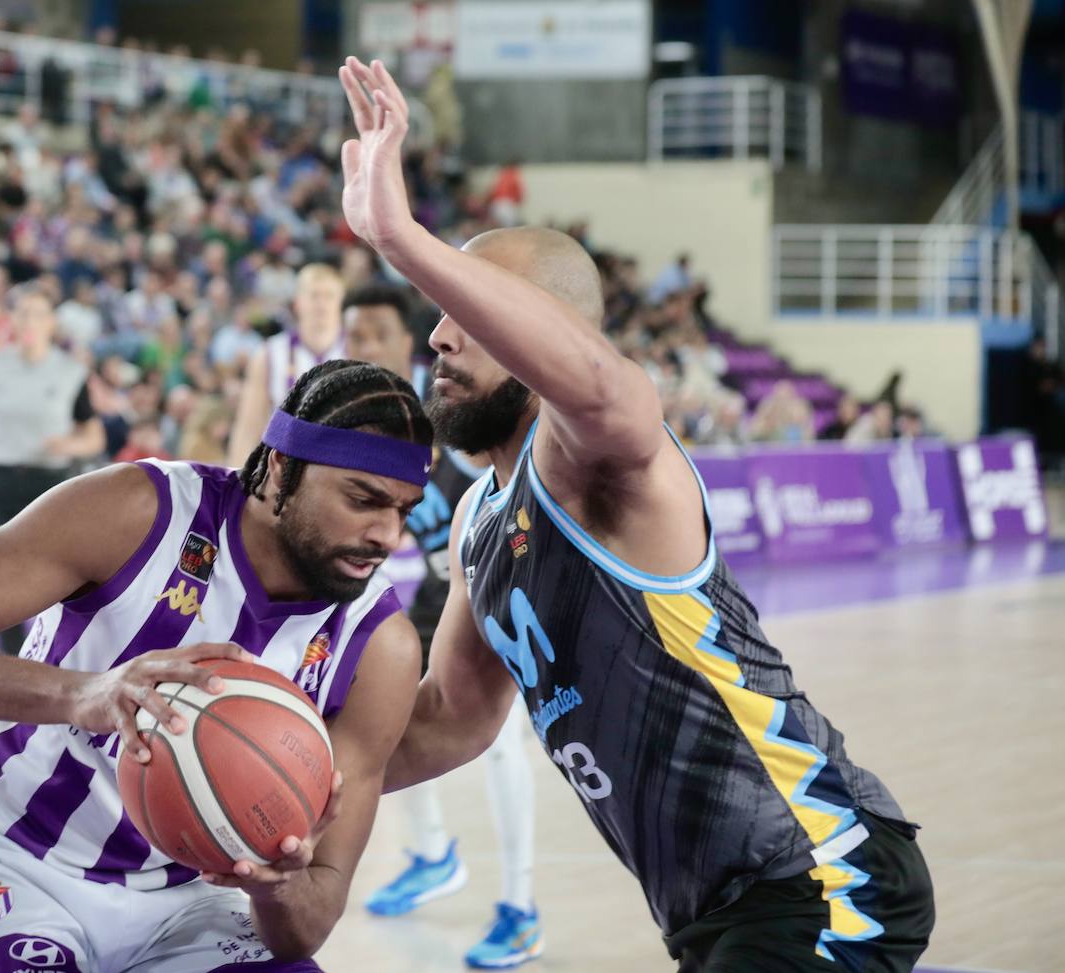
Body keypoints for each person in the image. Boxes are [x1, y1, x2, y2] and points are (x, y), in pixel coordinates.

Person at [337, 58, 934, 972]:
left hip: (818, 867)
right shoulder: (478, 528)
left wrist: (405, 240)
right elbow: (448, 719)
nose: (439, 333)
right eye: (439, 307)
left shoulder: (595, 457)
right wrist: (297, 779)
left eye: (466, 309)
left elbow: (609, 387)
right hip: (713, 910)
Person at [0, 359, 433, 973]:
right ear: (281, 468)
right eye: (363, 501)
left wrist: (275, 883)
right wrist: (85, 693)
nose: (388, 535)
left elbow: (304, 931)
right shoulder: (140, 510)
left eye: (405, 510)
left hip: (189, 902)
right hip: (9, 858)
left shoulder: (380, 645)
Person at [342, 284, 543, 967]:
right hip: (431, 588)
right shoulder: (365, 423)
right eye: (351, 335)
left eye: (371, 334)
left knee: (499, 742)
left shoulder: (455, 420)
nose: (357, 347)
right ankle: (433, 855)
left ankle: (520, 907)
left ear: (407, 343)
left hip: (492, 577)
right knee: (379, 718)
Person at [0, 289, 107, 654]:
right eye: (23, 313)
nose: (29, 321)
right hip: (1, 482)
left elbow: (94, 435)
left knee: (65, 575)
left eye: (38, 314)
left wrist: (70, 445)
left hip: (52, 486)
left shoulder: (70, 372)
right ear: (12, 321)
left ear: (51, 323)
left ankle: (67, 653)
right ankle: (12, 661)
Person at [226, 263, 346, 466]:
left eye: (329, 296)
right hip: (284, 466)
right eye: (314, 296)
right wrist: (238, 479)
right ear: (297, 302)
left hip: (341, 464)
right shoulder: (270, 353)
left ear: (341, 303)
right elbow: (248, 426)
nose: (321, 304)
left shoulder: (358, 351)